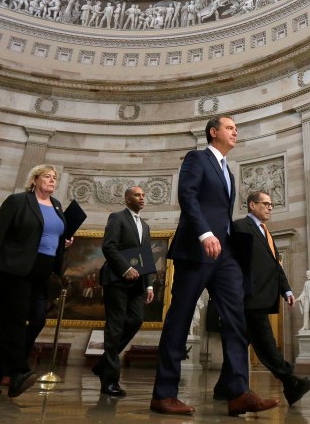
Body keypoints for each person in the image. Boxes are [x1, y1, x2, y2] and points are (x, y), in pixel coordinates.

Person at [150, 115, 278, 416]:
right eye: (230, 128)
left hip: (225, 254)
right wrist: (204, 233)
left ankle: (238, 392)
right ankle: (164, 394)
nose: (235, 132)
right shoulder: (197, 159)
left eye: (236, 129)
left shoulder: (228, 171)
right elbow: (188, 196)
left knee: (236, 317)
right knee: (180, 318)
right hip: (196, 249)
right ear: (213, 132)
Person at [0, 165, 69, 398]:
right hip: (14, 269)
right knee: (14, 322)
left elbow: (53, 234)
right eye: (47, 176)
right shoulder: (18, 201)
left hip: (42, 271)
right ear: (34, 179)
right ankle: (18, 371)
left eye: (55, 177)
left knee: (34, 320)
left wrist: (63, 243)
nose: (52, 180)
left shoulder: (57, 206)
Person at [213, 191, 310, 406]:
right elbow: (232, 263)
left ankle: (223, 389)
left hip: (262, 296)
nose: (270, 207)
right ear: (252, 205)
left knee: (240, 343)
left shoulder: (266, 232)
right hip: (248, 297)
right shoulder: (240, 227)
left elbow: (275, 265)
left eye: (271, 204)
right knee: (265, 341)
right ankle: (289, 381)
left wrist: (286, 290)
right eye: (265, 203)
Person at [92, 186, 155, 397]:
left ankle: (102, 364)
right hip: (116, 280)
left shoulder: (145, 226)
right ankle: (109, 380)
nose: (142, 198)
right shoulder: (117, 218)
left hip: (138, 284)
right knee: (115, 327)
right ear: (127, 199)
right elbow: (108, 247)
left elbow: (146, 255)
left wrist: (149, 285)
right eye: (137, 195)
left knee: (136, 320)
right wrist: (125, 268)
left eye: (143, 195)